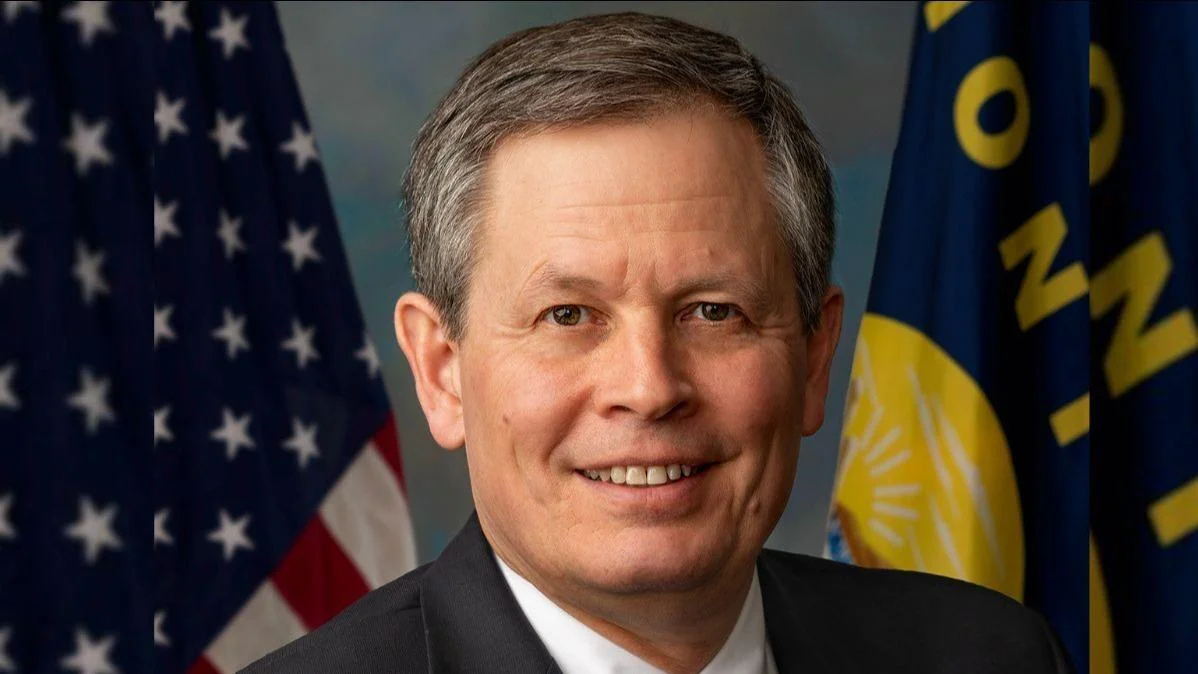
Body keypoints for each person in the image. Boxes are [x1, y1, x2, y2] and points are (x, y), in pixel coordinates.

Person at [243, 12, 1073, 674]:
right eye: (568, 316)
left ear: (816, 358)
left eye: (713, 311)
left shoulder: (987, 656)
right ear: (441, 370)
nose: (648, 388)